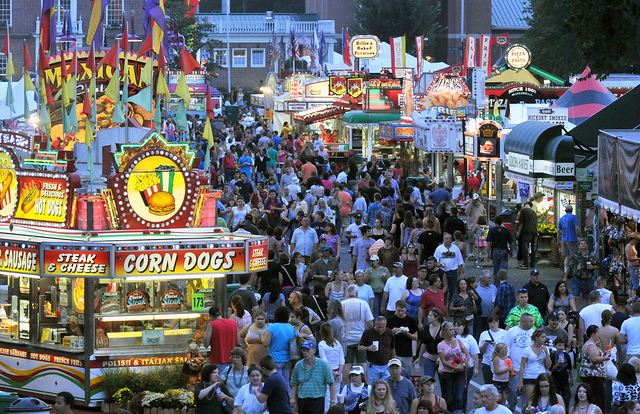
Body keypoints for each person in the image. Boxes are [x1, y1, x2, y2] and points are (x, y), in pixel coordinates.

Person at [290, 340, 336, 414]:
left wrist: (333, 401)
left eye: (308, 350)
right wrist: (292, 398)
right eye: (303, 350)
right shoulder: (298, 365)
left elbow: (331, 383)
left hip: (318, 400)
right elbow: (294, 383)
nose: (305, 352)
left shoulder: (323, 364)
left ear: (314, 350)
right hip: (302, 400)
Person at [438, 321, 472, 414]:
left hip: (460, 371)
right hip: (448, 372)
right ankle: (450, 412)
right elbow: (443, 361)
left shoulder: (458, 341)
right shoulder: (441, 345)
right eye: (450, 330)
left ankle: (459, 412)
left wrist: (463, 364)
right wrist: (454, 367)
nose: (453, 332)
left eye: (453, 330)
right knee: (449, 397)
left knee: (459, 395)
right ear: (444, 332)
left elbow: (467, 355)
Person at [342, 284, 374, 383]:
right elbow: (370, 323)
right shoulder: (363, 303)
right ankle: (363, 386)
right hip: (361, 339)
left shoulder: (342, 304)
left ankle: (346, 388)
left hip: (346, 339)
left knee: (347, 364)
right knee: (362, 363)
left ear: (347, 293)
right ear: (357, 293)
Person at [506, 313, 535, 410]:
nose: (533, 323)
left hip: (528, 369)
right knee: (513, 391)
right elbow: (507, 348)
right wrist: (509, 364)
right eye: (530, 321)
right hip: (515, 367)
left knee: (527, 393)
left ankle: (524, 410)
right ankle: (511, 408)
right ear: (523, 321)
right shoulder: (512, 331)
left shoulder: (533, 333)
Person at [517, 330, 552, 405]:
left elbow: (549, 366)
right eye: (542, 337)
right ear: (536, 338)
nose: (544, 339)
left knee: (542, 400)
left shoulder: (545, 349)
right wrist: (520, 381)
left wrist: (547, 353)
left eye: (545, 337)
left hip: (542, 377)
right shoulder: (527, 350)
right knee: (530, 401)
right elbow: (522, 366)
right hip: (529, 377)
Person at [580, 325, 609, 412]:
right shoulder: (591, 345)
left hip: (590, 375)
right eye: (598, 333)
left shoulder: (589, 344)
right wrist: (606, 358)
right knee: (598, 397)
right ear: (593, 334)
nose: (599, 335)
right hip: (593, 375)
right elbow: (594, 359)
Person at [262, 306, 296, 380]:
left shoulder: (272, 327)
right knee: (286, 382)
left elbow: (266, 343)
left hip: (275, 359)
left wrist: (261, 336)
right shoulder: (291, 328)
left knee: (277, 382)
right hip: (287, 359)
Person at [359, 316, 396, 383]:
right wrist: (368, 348)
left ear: (386, 324)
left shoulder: (390, 333)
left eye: (383, 327)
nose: (381, 329)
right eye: (379, 327)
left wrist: (394, 361)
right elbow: (359, 347)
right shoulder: (368, 332)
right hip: (373, 366)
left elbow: (393, 348)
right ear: (375, 324)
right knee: (372, 387)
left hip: (386, 366)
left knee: (386, 387)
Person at [454, 318, 480, 411]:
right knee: (454, 387)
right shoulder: (453, 337)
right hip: (453, 365)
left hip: (467, 366)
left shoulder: (469, 338)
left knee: (463, 387)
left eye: (459, 325)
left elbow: (475, 353)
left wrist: (476, 368)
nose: (456, 328)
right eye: (455, 326)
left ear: (464, 326)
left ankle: (462, 409)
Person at [319, 323, 345, 413]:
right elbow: (342, 359)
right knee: (336, 394)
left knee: (327, 396)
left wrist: (332, 373)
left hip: (328, 372)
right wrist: (339, 373)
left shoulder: (321, 344)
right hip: (338, 372)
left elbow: (324, 360)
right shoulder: (337, 343)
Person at [387, 300, 418, 371]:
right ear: (395, 309)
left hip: (406, 352)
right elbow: (385, 337)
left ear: (406, 309)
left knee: (406, 372)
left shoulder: (411, 320)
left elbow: (415, 337)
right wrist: (392, 332)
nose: (400, 313)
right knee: (392, 372)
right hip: (394, 351)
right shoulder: (390, 320)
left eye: (402, 311)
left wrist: (406, 333)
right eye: (398, 311)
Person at [434, 232, 465, 304]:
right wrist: (440, 265)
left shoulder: (456, 248)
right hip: (443, 272)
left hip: (453, 272)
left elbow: (460, 261)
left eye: (450, 238)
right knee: (444, 290)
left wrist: (462, 273)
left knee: (453, 290)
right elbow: (435, 261)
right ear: (443, 239)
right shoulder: (439, 248)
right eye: (446, 238)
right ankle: (443, 305)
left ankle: (451, 306)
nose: (448, 240)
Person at [204, 305, 238, 369]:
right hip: (233, 359)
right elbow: (238, 342)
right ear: (221, 314)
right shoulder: (233, 323)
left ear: (210, 316)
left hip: (217, 360)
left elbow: (206, 344)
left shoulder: (211, 324)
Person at [414, 308, 445, 377]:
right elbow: (424, 343)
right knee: (428, 379)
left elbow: (446, 343)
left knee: (443, 381)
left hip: (442, 358)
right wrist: (419, 357)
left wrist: (440, 357)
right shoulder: (427, 327)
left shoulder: (443, 328)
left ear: (437, 317)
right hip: (429, 357)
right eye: (428, 315)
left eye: (430, 316)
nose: (428, 317)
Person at [479, 315, 508, 385]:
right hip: (487, 361)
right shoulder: (484, 334)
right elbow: (480, 351)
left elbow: (507, 348)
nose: (492, 325)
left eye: (493, 322)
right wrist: (485, 344)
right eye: (490, 323)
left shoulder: (505, 333)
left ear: (498, 322)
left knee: (500, 384)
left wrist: (496, 345)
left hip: (500, 362)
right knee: (488, 384)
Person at [558, 205, 581, 274]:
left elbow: (558, 231)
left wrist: (558, 240)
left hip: (564, 239)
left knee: (567, 256)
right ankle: (575, 271)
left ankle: (566, 271)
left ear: (565, 211)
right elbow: (577, 228)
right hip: (572, 239)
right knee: (574, 256)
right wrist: (581, 237)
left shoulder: (561, 218)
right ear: (572, 210)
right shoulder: (574, 217)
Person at [550, 338, 573, 406]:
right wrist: (557, 364)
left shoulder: (566, 355)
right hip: (555, 380)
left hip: (565, 380)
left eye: (563, 345)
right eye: (559, 345)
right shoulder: (553, 355)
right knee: (556, 397)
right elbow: (551, 369)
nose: (561, 347)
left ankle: (566, 410)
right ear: (555, 346)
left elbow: (570, 368)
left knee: (567, 397)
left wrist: (571, 379)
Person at [517, 202, 538, 269]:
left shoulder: (523, 211)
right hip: (534, 231)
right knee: (533, 248)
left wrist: (518, 232)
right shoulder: (533, 212)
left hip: (527, 231)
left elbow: (522, 223)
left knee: (525, 247)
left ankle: (526, 263)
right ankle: (532, 263)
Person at [477, 271, 498, 335]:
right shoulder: (476, 288)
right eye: (489, 278)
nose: (490, 279)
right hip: (480, 317)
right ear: (483, 278)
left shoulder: (493, 287)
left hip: (491, 316)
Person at [625, 233, 640, 299]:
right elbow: (629, 258)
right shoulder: (629, 246)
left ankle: (630, 299)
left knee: (631, 283)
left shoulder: (632, 246)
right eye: (636, 240)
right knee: (635, 284)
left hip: (634, 266)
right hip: (632, 266)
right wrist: (638, 259)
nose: (637, 242)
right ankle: (633, 299)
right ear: (633, 239)